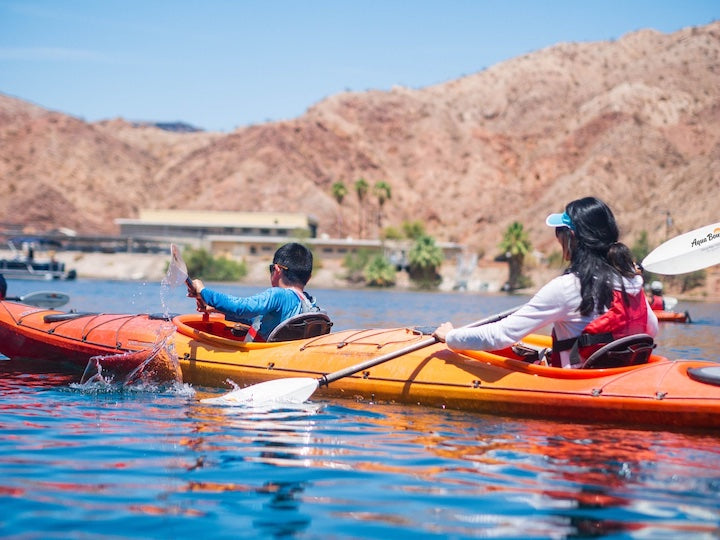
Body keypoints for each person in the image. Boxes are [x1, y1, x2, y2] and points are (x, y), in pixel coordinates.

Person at [433, 197, 658, 368]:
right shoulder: (632, 283)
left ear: (570, 237)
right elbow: (652, 329)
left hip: (577, 385)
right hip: (620, 374)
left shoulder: (567, 287)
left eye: (559, 231)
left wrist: (451, 336)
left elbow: (500, 336)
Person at [188, 243, 320, 342]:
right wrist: (217, 309)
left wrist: (202, 291)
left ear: (277, 270)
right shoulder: (310, 304)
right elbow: (262, 319)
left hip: (266, 360)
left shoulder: (278, 295)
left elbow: (241, 307)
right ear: (308, 278)